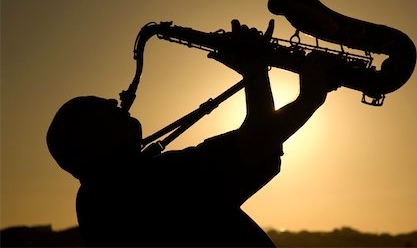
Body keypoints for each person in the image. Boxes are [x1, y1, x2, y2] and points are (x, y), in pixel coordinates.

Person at [47, 20, 344, 247]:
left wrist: (263, 75)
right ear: (91, 141)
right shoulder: (127, 188)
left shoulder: (112, 189)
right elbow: (256, 145)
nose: (114, 101)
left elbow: (257, 143)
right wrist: (303, 94)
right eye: (100, 108)